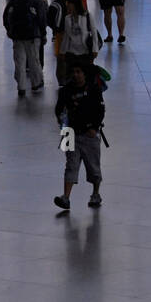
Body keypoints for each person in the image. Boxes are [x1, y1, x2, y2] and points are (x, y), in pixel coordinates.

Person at [54, 57, 105, 210]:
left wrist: (94, 128)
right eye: (73, 72)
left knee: (93, 167)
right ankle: (66, 198)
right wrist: (63, 127)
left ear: (84, 74)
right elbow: (59, 110)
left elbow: (100, 111)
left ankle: (95, 194)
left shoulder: (93, 90)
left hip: (90, 134)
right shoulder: (65, 91)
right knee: (71, 165)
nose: (75, 75)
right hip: (70, 133)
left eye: (78, 72)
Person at [4, 0, 47, 97]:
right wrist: (43, 33)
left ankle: (21, 87)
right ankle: (36, 83)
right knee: (34, 60)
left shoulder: (14, 0)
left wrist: (9, 30)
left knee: (19, 62)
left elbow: (6, 16)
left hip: (17, 35)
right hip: (33, 35)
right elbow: (42, 18)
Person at [57, 0, 102, 83]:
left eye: (69, 4)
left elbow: (94, 34)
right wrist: (62, 51)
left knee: (85, 76)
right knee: (71, 75)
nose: (67, 6)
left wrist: (95, 49)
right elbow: (66, 36)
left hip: (85, 52)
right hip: (71, 52)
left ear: (74, 5)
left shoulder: (88, 17)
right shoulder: (67, 18)